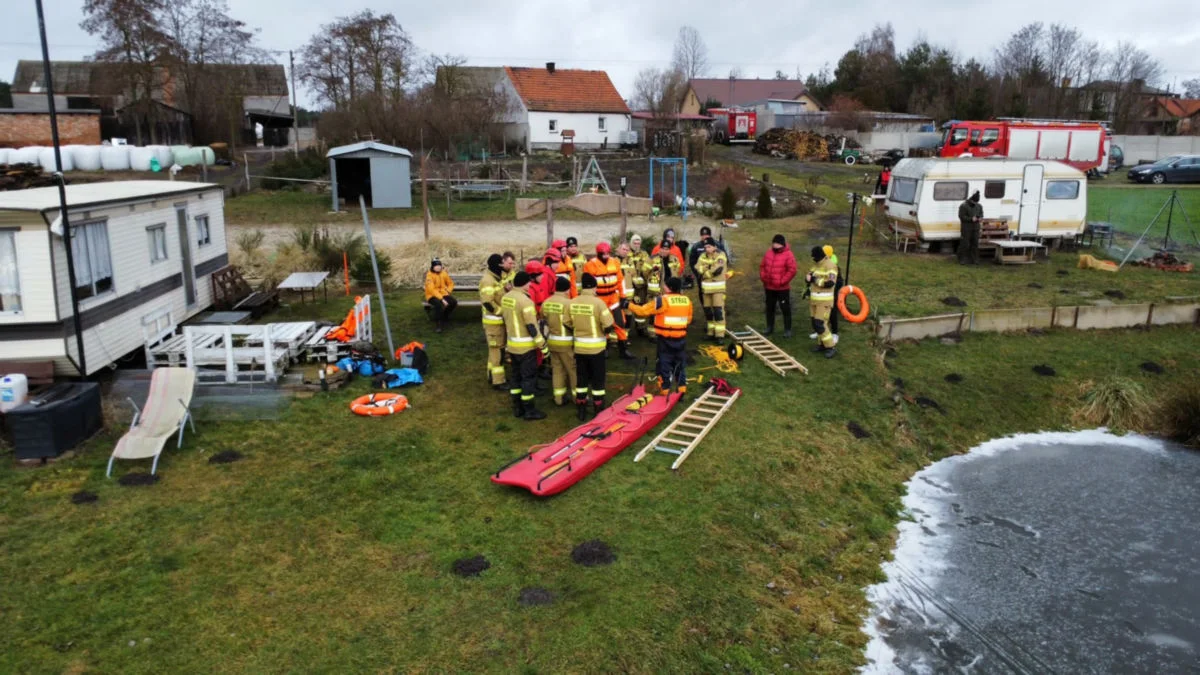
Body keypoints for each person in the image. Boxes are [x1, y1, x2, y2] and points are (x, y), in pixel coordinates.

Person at [564, 273, 614, 420]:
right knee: (598, 379)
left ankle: (581, 407)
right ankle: (598, 407)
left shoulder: (572, 302)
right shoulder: (598, 303)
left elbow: (566, 322)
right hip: (596, 349)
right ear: (593, 287)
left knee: (582, 379)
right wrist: (604, 334)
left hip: (579, 349)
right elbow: (608, 324)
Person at [631, 276, 692, 395]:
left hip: (665, 339)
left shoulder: (662, 301)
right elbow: (688, 319)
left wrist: (628, 305)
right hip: (680, 338)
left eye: (665, 285)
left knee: (664, 363)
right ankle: (681, 389)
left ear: (669, 288)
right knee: (679, 364)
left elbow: (642, 311)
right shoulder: (687, 301)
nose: (663, 287)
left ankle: (665, 389)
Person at [500, 272, 549, 420]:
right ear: (524, 283)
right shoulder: (525, 301)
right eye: (528, 283)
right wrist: (542, 345)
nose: (530, 285)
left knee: (516, 376)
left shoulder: (506, 298)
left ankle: (517, 407)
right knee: (528, 378)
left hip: (512, 345)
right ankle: (529, 410)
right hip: (526, 347)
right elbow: (531, 326)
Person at [584, 241, 635, 360]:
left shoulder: (614, 262)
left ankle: (623, 349)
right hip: (599, 299)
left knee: (620, 322)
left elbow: (620, 281)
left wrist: (623, 296)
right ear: (598, 254)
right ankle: (605, 349)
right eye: (604, 254)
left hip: (613, 298)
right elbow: (588, 284)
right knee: (603, 324)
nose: (606, 256)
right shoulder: (590, 265)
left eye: (608, 253)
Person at [541, 276, 577, 407]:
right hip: (566, 343)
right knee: (572, 371)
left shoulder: (547, 302)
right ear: (567, 290)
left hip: (552, 342)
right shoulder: (569, 304)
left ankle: (558, 398)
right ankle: (577, 397)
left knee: (557, 370)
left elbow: (542, 318)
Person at [479, 254, 508, 389]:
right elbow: (487, 303)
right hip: (493, 323)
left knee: (494, 351)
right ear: (497, 265)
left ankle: (491, 376)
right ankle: (498, 381)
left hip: (498, 323)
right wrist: (502, 312)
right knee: (497, 352)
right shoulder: (488, 281)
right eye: (502, 263)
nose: (504, 265)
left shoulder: (496, 278)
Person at [759, 235, 797, 337]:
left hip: (782, 288)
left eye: (777, 243)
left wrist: (782, 281)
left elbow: (792, 270)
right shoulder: (769, 253)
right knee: (770, 308)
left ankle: (787, 330)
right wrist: (764, 277)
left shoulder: (788, 255)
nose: (775, 245)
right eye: (774, 243)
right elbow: (762, 266)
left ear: (782, 244)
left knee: (785, 308)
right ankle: (769, 327)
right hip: (769, 287)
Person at [805, 246, 839, 359]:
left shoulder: (830, 265)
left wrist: (814, 280)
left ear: (819, 256)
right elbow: (809, 275)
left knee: (820, 323)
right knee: (816, 324)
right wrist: (808, 278)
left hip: (824, 301)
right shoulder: (816, 265)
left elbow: (830, 283)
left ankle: (831, 347)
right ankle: (822, 345)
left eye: (814, 257)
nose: (813, 259)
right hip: (814, 300)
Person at [694, 237, 729, 340]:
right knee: (708, 312)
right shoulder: (702, 256)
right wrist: (708, 269)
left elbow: (717, 269)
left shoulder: (721, 255)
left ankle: (719, 335)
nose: (706, 248)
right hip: (706, 289)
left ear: (714, 246)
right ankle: (710, 332)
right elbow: (697, 268)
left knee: (718, 312)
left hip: (718, 289)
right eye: (705, 247)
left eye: (709, 246)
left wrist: (705, 272)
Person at [626, 235, 651, 336]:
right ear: (631, 243)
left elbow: (648, 267)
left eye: (639, 243)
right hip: (629, 285)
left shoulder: (644, 254)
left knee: (640, 306)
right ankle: (626, 330)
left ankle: (640, 328)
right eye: (635, 243)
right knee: (627, 307)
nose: (637, 245)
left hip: (641, 285)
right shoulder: (626, 253)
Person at [424, 258, 457, 333]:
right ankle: (439, 325)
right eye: (436, 265)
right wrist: (442, 299)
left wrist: (448, 291)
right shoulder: (429, 276)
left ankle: (445, 316)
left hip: (443, 293)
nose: (438, 267)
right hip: (431, 295)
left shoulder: (444, 273)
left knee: (453, 302)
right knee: (438, 305)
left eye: (439, 265)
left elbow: (451, 283)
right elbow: (431, 289)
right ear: (432, 267)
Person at [958, 191, 983, 265]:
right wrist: (971, 219)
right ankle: (962, 259)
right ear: (971, 200)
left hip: (976, 228)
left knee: (975, 244)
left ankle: (975, 259)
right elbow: (961, 217)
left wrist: (980, 218)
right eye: (974, 202)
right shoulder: (963, 206)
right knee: (965, 244)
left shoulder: (979, 206)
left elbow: (981, 214)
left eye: (976, 202)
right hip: (966, 228)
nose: (975, 203)